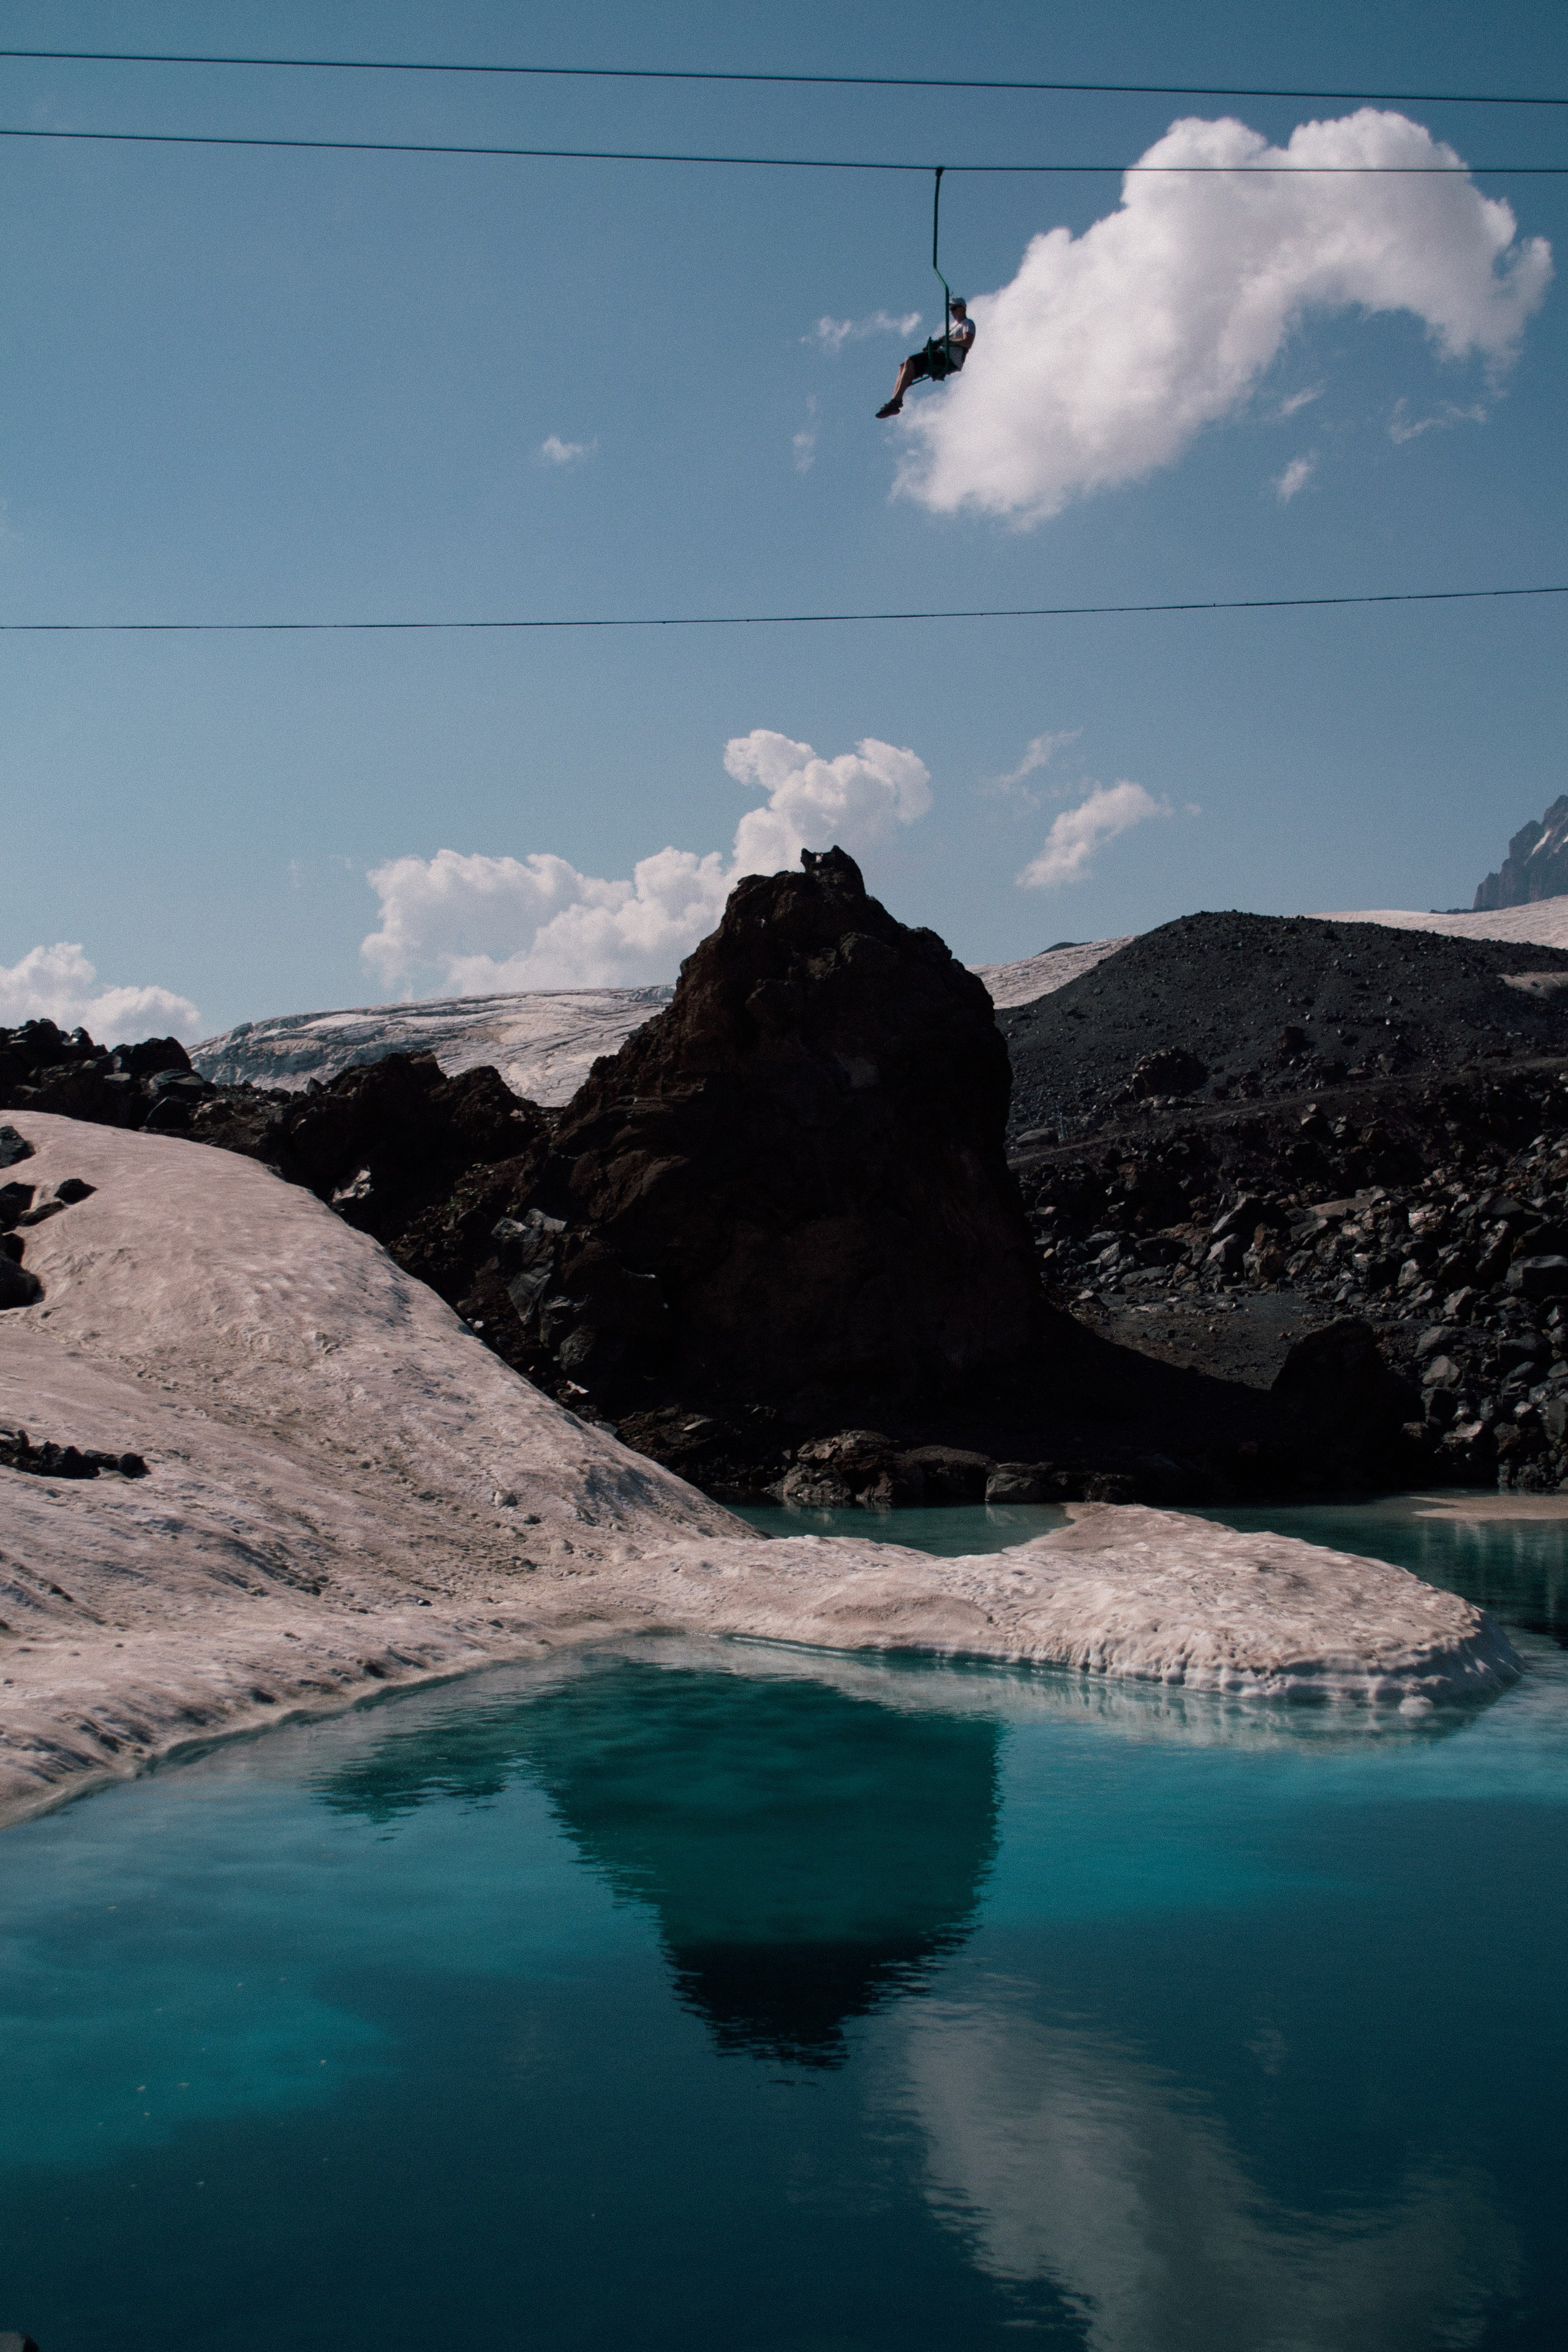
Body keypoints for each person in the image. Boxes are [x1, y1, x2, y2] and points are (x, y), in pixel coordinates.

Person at [876, 300, 974, 418]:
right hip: (940, 355)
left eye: (954, 309)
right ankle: (894, 402)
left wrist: (947, 341)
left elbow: (968, 342)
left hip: (947, 359)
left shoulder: (968, 324)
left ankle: (896, 401)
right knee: (903, 366)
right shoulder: (953, 326)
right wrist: (936, 344)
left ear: (962, 308)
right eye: (951, 310)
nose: (952, 312)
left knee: (910, 361)